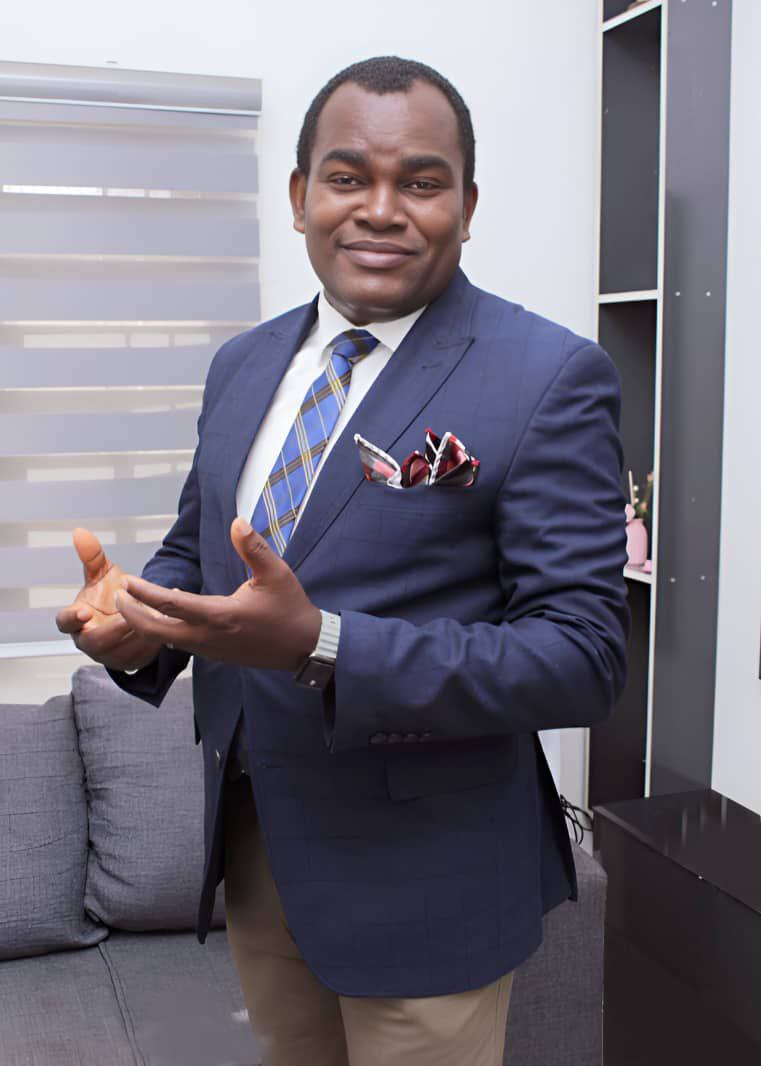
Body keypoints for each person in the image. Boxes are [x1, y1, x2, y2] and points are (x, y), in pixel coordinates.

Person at [56, 56, 630, 1066]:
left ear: (466, 206)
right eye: (347, 176)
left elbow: (582, 657)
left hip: (430, 878)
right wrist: (136, 625)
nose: (380, 209)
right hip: (258, 841)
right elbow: (203, 551)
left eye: (420, 181)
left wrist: (321, 643)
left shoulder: (548, 376)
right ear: (299, 196)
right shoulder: (242, 364)